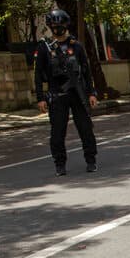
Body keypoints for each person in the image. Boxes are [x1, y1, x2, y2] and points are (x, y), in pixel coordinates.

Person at [34, 9, 99, 176]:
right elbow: (38, 74)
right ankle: (60, 164)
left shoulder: (76, 46)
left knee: (85, 129)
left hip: (78, 94)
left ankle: (91, 160)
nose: (58, 28)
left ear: (66, 25)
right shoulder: (44, 48)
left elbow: (86, 71)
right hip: (57, 95)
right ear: (50, 26)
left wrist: (91, 93)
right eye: (54, 25)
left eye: (60, 25)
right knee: (57, 132)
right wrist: (40, 98)